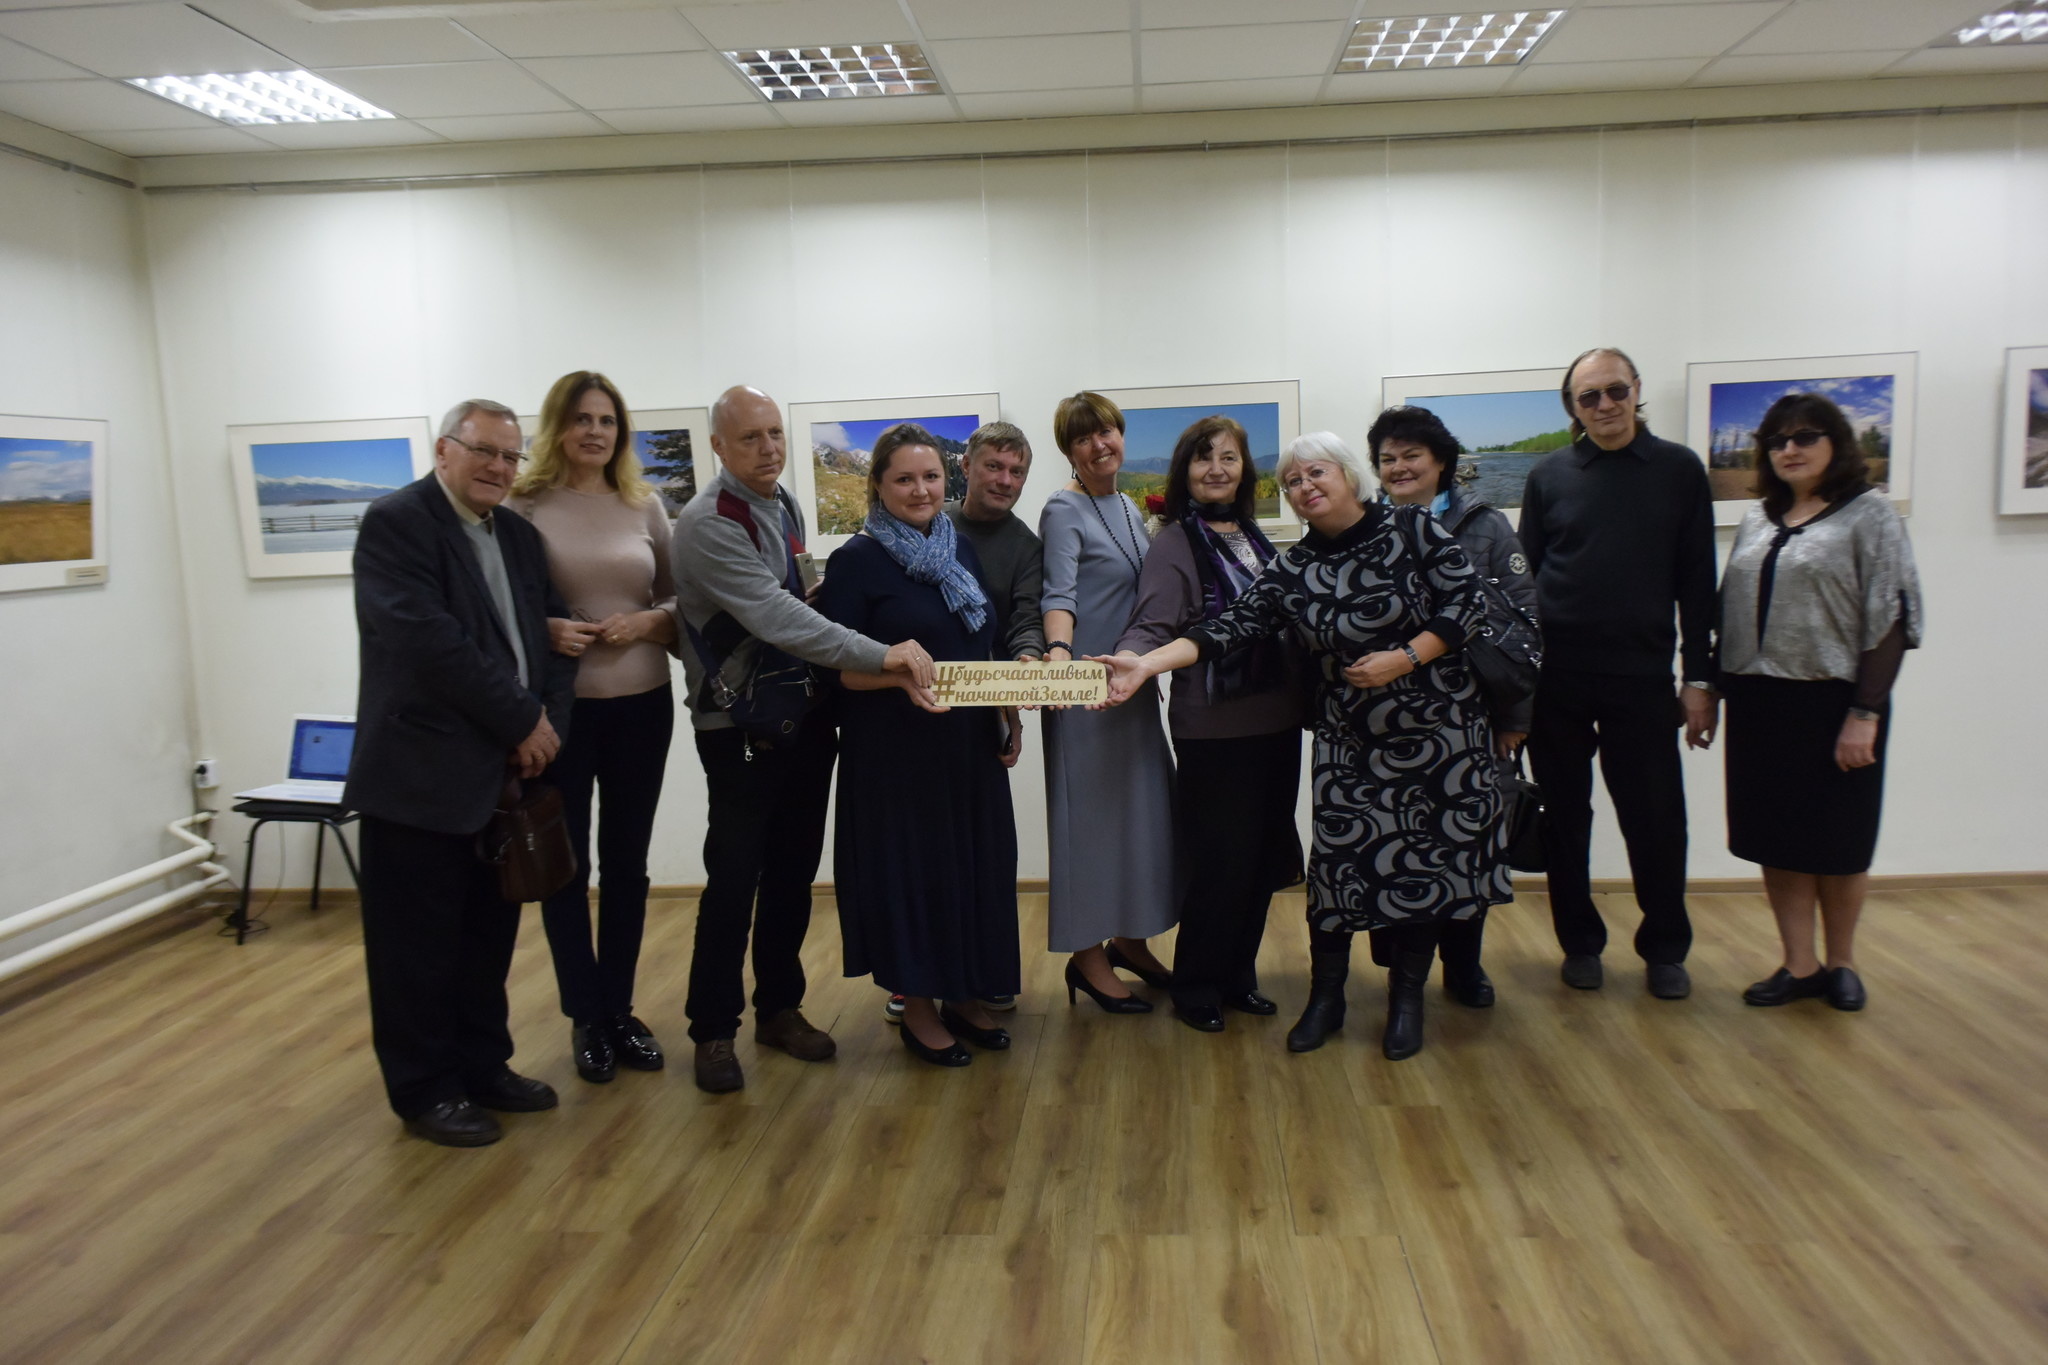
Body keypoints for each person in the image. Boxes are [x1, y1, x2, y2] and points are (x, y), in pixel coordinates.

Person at [1096, 432, 1498, 1061]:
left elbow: (1469, 603)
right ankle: (1325, 999)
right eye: (1292, 480)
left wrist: (1405, 657)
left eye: (1316, 473)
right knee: (1336, 872)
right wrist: (1146, 664)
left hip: (1436, 734)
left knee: (1421, 868)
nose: (1305, 486)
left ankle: (1407, 1001)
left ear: (1347, 475)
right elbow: (1228, 626)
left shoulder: (1413, 528)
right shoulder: (1295, 564)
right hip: (1348, 739)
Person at [670, 385, 937, 1093]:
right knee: (734, 880)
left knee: (791, 873)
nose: (768, 449)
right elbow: (776, 617)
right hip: (740, 727)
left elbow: (794, 596)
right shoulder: (708, 521)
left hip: (802, 714)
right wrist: (883, 652)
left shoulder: (781, 502)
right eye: (750, 437)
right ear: (718, 446)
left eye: (775, 434)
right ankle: (712, 1029)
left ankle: (778, 1009)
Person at [344, 399, 577, 1146]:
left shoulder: (519, 536)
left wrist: (545, 729)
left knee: (487, 938)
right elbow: (427, 642)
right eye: (484, 451)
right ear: (443, 450)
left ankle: (484, 1067)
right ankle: (425, 1089)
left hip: (503, 776)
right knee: (416, 949)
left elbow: (553, 641)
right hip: (420, 777)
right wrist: (520, 720)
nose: (498, 468)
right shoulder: (398, 523)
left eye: (510, 456)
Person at [1518, 347, 1718, 1001]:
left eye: (1614, 391)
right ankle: (1579, 943)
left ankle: (1665, 947)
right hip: (1557, 679)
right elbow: (1524, 585)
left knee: (1656, 817)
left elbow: (1698, 582)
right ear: (1572, 408)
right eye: (1588, 397)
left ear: (1636, 389)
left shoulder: (1679, 470)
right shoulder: (1548, 475)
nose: (1604, 405)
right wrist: (1517, 686)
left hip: (1641, 676)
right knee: (1564, 817)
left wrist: (1700, 679)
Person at [820, 424, 1022, 1066]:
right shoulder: (855, 561)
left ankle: (963, 994)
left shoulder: (957, 548)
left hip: (967, 747)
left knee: (973, 871)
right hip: (897, 757)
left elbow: (979, 645)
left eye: (931, 476)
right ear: (878, 486)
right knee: (917, 878)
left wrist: (1008, 712)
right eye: (904, 479)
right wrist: (896, 675)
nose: (920, 490)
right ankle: (920, 1010)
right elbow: (834, 670)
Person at [1718, 393, 1922, 1012]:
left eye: (1805, 437)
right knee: (1776, 840)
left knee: (1840, 841)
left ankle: (1842, 963)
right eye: (1778, 440)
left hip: (1837, 705)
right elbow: (1729, 607)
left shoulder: (1870, 515)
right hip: (1759, 704)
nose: (1790, 449)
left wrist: (1865, 713)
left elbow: (1892, 617)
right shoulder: (1758, 519)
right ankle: (1798, 963)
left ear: (1836, 443)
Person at [507, 371, 678, 1085]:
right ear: (558, 426)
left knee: (628, 865)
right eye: (582, 419)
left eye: (607, 420)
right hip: (560, 714)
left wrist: (647, 621)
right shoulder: (522, 505)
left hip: (643, 704)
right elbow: (500, 605)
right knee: (565, 867)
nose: (595, 431)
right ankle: (585, 1015)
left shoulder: (644, 505)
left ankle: (619, 1008)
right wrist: (545, 628)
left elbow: (681, 599)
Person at [1116, 415, 1303, 1034]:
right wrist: (1133, 661)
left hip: (1278, 720)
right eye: (1203, 458)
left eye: (1229, 457)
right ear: (1184, 471)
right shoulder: (1175, 542)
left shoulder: (1253, 534)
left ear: (1245, 470)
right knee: (1221, 864)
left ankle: (1237, 976)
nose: (1217, 469)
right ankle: (1196, 983)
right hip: (1214, 729)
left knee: (1261, 859)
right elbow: (1153, 623)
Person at [1367, 404, 1539, 1008]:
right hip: (1391, 720)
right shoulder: (1367, 526)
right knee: (1399, 843)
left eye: (1411, 455)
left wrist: (1516, 720)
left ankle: (1464, 965)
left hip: (1475, 718)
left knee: (1468, 844)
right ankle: (1400, 971)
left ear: (1441, 461)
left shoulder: (1486, 526)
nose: (1399, 467)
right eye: (1387, 458)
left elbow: (1525, 627)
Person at [1039, 391, 1178, 1013]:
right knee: (1089, 826)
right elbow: (1058, 593)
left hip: (1129, 688)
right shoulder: (1062, 509)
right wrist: (1059, 656)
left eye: (1107, 432)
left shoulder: (1125, 504)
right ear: (1069, 451)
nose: (1099, 446)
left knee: (1138, 820)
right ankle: (1087, 956)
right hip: (1084, 692)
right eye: (1083, 438)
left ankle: (1130, 941)